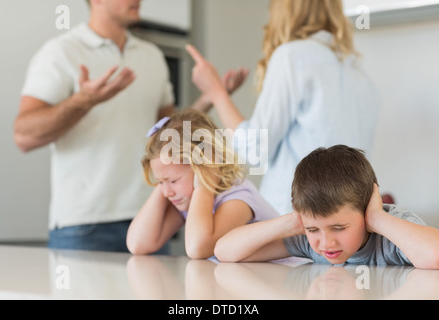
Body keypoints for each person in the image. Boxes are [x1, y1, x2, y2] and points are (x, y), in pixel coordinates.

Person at [13, 0, 247, 252]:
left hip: (150, 217)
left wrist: (211, 96)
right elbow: (23, 136)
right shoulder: (62, 52)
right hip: (85, 224)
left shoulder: (151, 56)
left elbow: (169, 136)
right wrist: (83, 101)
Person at [186, 0, 380, 215]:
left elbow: (255, 150)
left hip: (296, 217)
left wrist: (216, 92)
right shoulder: (355, 67)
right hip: (347, 219)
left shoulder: (292, 56)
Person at [214, 145, 439, 270]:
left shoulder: (391, 234)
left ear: (366, 210)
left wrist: (378, 219)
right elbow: (224, 252)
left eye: (339, 227)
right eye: (313, 229)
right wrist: (293, 221)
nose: (326, 243)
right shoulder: (308, 239)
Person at [126, 109, 280, 259]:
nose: (167, 192)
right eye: (160, 182)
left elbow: (197, 248)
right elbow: (137, 244)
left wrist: (203, 184)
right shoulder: (187, 199)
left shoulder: (239, 198)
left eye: (173, 181)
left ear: (207, 164)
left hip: (285, 280)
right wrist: (165, 180)